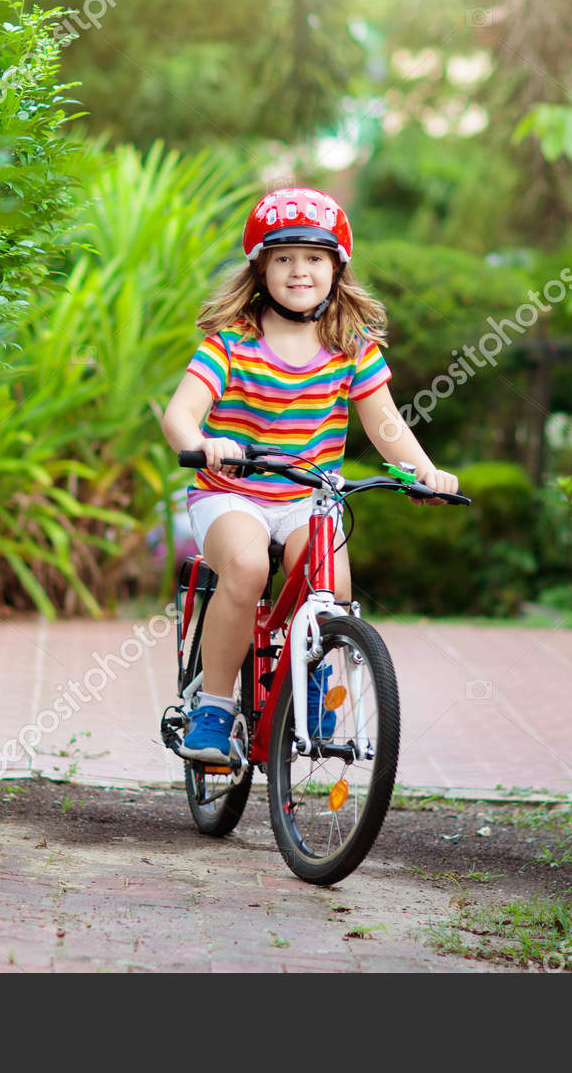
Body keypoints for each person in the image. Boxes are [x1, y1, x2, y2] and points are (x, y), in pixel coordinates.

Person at [160, 187, 459, 763]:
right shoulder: (232, 343)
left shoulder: (351, 347)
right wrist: (202, 443)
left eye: (315, 258)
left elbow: (386, 425)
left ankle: (310, 684)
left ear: (337, 269)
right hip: (232, 492)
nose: (301, 271)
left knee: (331, 590)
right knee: (245, 569)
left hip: (308, 498)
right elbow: (179, 415)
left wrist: (425, 472)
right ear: (261, 269)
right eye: (285, 258)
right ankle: (216, 710)